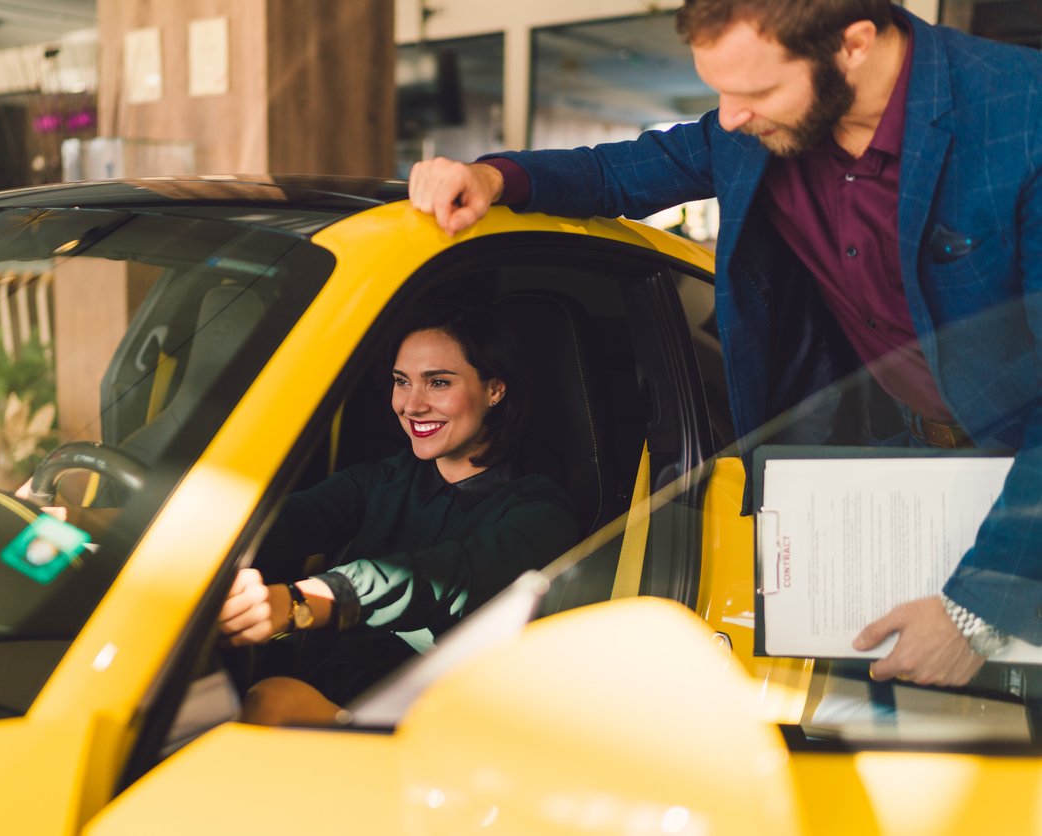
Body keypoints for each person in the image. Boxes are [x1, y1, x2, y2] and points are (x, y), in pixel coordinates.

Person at [409, 0, 1041, 687]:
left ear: (853, 44)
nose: (731, 117)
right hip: (896, 468)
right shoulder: (754, 124)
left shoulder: (1022, 115)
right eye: (719, 91)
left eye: (757, 91)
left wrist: (977, 610)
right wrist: (493, 178)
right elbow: (618, 173)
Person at [217, 301, 579, 725]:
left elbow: (440, 578)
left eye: (438, 383)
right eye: (401, 381)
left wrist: (301, 601)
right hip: (335, 683)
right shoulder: (384, 479)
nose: (411, 405)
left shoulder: (541, 514)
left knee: (273, 701)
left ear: (495, 390)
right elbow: (289, 520)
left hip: (435, 721)